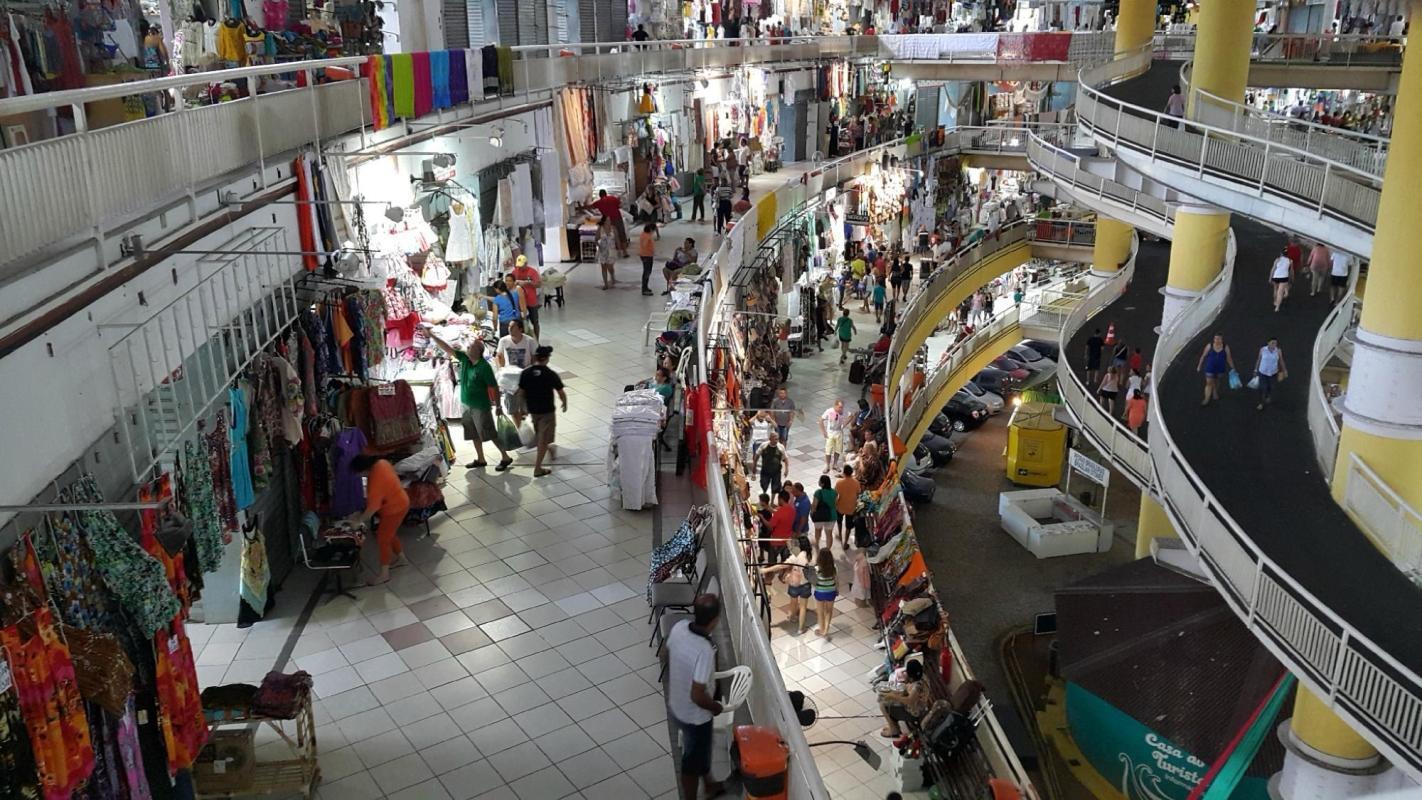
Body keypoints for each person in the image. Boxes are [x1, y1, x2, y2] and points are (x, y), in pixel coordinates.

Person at [664, 595, 725, 800]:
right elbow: (697, 694)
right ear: (715, 620)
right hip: (695, 716)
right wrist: (715, 707)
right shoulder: (704, 649)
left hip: (676, 704)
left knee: (699, 751)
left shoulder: (680, 627)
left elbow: (667, 653)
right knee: (691, 763)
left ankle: (709, 784)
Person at [434, 336, 514, 471]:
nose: (467, 348)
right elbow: (447, 347)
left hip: (480, 407)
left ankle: (505, 456)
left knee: (489, 433)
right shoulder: (465, 359)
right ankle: (481, 458)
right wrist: (431, 335)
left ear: (478, 351)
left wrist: (498, 406)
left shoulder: (484, 367)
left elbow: (493, 387)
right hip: (466, 404)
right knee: (473, 433)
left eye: (470, 347)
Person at [345, 455, 409, 585]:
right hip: (401, 502)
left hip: (394, 509)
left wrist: (358, 521)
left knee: (383, 538)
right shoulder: (382, 463)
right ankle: (402, 559)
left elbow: (373, 506)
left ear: (363, 469)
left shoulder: (375, 478)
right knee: (389, 534)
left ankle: (384, 574)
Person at [516, 346, 566, 477]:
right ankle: (538, 468)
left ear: (536, 357)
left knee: (542, 436)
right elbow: (561, 392)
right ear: (547, 358)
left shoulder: (526, 373)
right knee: (543, 439)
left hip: (534, 412)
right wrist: (564, 403)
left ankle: (550, 450)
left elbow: (520, 393)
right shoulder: (550, 374)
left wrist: (522, 409)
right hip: (547, 412)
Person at [762, 537, 814, 634]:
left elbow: (781, 565)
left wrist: (766, 570)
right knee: (803, 607)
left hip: (794, 583)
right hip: (805, 584)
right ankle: (801, 628)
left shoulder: (795, 556)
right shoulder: (809, 555)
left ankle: (792, 617)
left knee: (793, 601)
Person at [878, 659, 928, 739]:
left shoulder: (917, 686)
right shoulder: (922, 677)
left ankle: (894, 729)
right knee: (891, 696)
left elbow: (909, 701)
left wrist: (893, 696)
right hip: (918, 706)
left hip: (914, 713)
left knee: (883, 704)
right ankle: (893, 724)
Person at [585, 189, 628, 256]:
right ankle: (625, 252)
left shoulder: (599, 202)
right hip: (617, 218)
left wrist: (580, 207)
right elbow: (620, 206)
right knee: (621, 234)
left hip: (608, 221)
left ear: (599, 195)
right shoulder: (613, 198)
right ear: (606, 193)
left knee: (610, 236)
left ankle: (613, 251)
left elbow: (590, 207)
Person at [1196, 333, 1235, 406]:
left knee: (1217, 381)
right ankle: (1206, 399)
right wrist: (1199, 365)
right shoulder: (1209, 346)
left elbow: (1229, 358)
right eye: (1215, 339)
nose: (1217, 340)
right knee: (1209, 383)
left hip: (1220, 368)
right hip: (1210, 367)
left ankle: (1215, 392)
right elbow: (1203, 356)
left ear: (1222, 339)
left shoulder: (1225, 347)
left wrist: (1233, 368)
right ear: (1213, 339)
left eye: (1219, 339)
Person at [1254, 338, 1287, 411]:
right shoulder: (1263, 350)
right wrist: (1255, 370)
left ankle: (1267, 395)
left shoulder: (1278, 351)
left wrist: (1284, 370)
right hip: (1262, 372)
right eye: (1272, 343)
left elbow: (1281, 361)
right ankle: (1261, 403)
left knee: (1270, 387)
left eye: (1275, 343)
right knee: (1262, 387)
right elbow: (1258, 360)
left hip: (1273, 373)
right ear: (1268, 343)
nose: (1274, 345)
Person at [809, 474, 839, 554]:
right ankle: (827, 550)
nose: (818, 482)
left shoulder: (818, 492)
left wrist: (812, 512)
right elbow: (836, 504)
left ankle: (817, 545)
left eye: (819, 481)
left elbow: (814, 505)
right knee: (829, 534)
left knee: (818, 531)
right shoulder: (834, 492)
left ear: (822, 484)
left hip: (820, 516)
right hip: (831, 516)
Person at [763, 490, 795, 563]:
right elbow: (782, 516)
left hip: (776, 541)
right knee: (786, 563)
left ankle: (771, 573)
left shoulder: (779, 513)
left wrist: (762, 517)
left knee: (772, 563)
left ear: (781, 499)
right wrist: (771, 510)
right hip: (787, 540)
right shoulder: (792, 510)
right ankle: (783, 573)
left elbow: (770, 526)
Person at [834, 465, 861, 550]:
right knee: (848, 526)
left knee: (839, 521)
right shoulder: (856, 482)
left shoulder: (839, 482)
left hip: (840, 506)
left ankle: (840, 535)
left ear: (844, 473)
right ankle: (845, 542)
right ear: (852, 473)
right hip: (851, 507)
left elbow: (835, 495)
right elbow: (858, 493)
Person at [813, 548, 838, 637]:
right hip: (831, 591)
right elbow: (836, 580)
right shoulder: (834, 567)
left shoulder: (816, 568)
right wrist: (837, 589)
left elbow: (814, 581)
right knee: (829, 611)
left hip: (819, 592)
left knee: (820, 611)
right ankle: (826, 629)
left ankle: (821, 629)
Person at [820, 399, 849, 472]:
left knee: (838, 449)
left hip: (839, 432)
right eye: (839, 407)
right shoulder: (829, 411)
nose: (841, 409)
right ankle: (827, 465)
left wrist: (844, 425)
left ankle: (835, 464)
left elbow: (851, 416)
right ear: (835, 406)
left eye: (842, 407)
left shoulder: (843, 412)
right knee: (828, 450)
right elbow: (821, 420)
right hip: (830, 432)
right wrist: (824, 432)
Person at [595, 217, 618, 289]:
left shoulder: (613, 228)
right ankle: (605, 284)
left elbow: (617, 239)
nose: (609, 221)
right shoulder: (600, 229)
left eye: (610, 220)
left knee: (610, 266)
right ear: (604, 221)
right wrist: (599, 246)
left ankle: (612, 275)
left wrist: (620, 250)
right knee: (603, 267)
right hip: (603, 251)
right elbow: (596, 239)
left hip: (611, 250)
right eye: (608, 220)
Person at [1270, 246, 1293, 312]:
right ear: (1288, 254)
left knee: (1275, 289)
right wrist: (1291, 277)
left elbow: (1273, 269)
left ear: (1281, 253)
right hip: (1284, 277)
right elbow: (1291, 271)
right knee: (1280, 292)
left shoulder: (1277, 260)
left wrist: (1270, 277)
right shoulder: (1290, 261)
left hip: (1276, 276)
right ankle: (1277, 307)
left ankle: (1275, 301)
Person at [638, 223, 658, 297]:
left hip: (646, 255)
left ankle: (646, 287)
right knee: (647, 272)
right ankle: (644, 289)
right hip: (647, 256)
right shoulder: (647, 236)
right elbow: (645, 244)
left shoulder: (643, 234)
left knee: (647, 271)